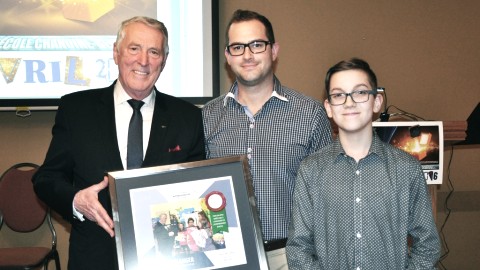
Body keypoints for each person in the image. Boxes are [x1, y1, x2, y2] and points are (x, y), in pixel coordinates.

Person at [32, 16, 205, 270]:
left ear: (164, 61)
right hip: (94, 258)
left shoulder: (187, 117)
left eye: (154, 52)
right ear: (116, 53)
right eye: (134, 48)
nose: (143, 61)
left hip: (167, 260)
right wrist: (76, 200)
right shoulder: (77, 110)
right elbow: (46, 179)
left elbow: (197, 188)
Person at [202, 9, 333, 269]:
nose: (248, 55)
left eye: (257, 45)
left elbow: (327, 194)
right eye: (238, 47)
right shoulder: (207, 117)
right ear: (228, 57)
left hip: (289, 257)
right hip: (225, 256)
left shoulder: (310, 114)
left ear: (274, 51)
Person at [286, 58, 441, 269]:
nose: (349, 102)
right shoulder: (311, 170)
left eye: (359, 92)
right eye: (339, 95)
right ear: (329, 107)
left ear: (377, 101)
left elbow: (427, 245)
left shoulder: (406, 169)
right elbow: (298, 248)